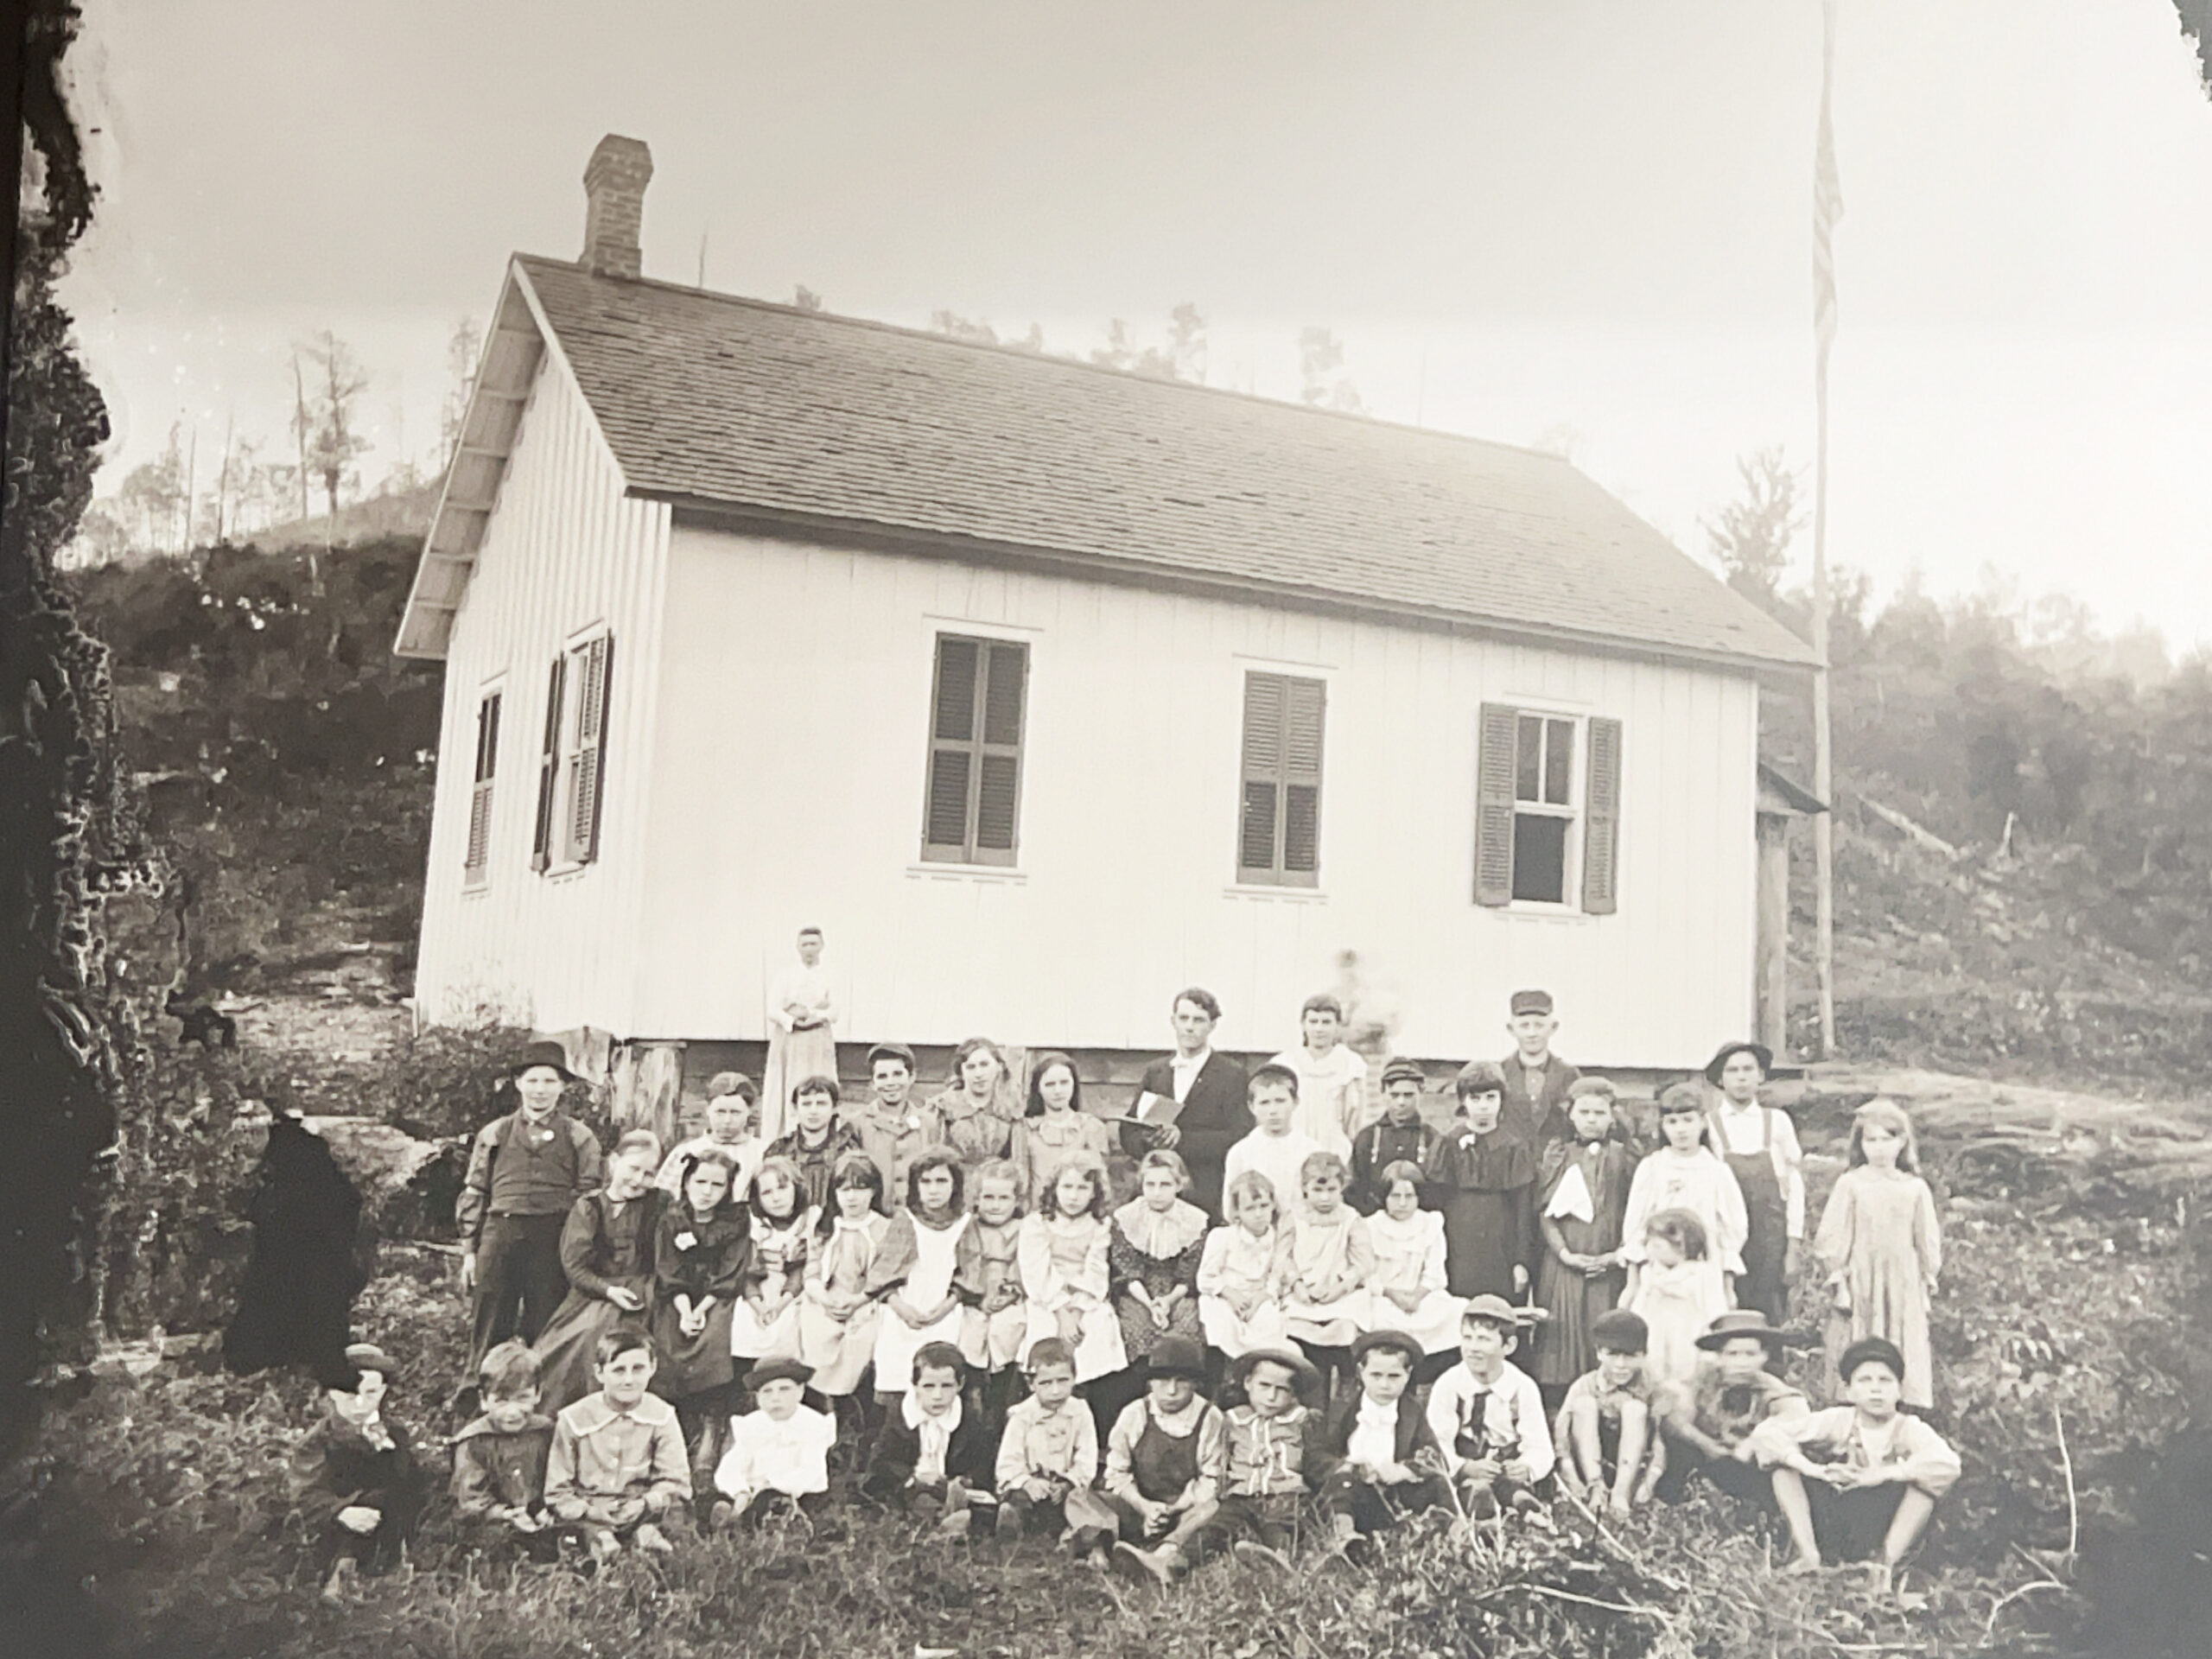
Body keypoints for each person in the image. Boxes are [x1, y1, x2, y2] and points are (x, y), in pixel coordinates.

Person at [1750, 1337, 1961, 1591]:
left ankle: (1884, 1567)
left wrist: (1883, 1474)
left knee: (1924, 1487)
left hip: (1881, 1517)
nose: (1876, 1390)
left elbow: (1947, 1464)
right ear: (1849, 1391)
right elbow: (1767, 1435)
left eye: (1885, 1381)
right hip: (1839, 1511)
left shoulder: (1909, 1428)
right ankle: (1808, 1555)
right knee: (1783, 1469)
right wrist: (1811, 1468)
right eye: (1864, 1381)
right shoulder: (1839, 1420)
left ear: (1899, 1390)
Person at [456, 1042, 606, 1377]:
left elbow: (590, 1198)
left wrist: (582, 1251)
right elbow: (475, 1190)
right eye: (533, 1081)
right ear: (518, 1083)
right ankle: (477, 1399)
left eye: (550, 1082)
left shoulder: (579, 1136)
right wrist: (469, 1251)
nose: (540, 1090)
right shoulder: (495, 1132)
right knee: (490, 1322)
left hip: (553, 1236)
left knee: (546, 1321)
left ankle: (540, 1402)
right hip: (501, 1233)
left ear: (563, 1087)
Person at [225, 1109, 369, 1391]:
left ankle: (307, 1366)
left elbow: (304, 1211)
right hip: (312, 1247)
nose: (248, 1139)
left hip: (316, 1248)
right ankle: (295, 1362)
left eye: (252, 1133)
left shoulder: (299, 1158)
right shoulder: (298, 1153)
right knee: (304, 1305)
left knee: (313, 1305)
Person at [1814, 1098, 1942, 1409]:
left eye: (1888, 1139)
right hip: (1862, 1278)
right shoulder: (1852, 1184)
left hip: (1902, 1281)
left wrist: (1926, 1280)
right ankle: (1854, 1413)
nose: (1880, 1148)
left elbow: (1927, 1240)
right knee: (1859, 1339)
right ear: (1860, 1144)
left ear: (1902, 1142)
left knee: (1900, 1340)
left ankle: (1897, 1411)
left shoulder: (1914, 1188)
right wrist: (1841, 1281)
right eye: (1871, 1140)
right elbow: (1832, 1238)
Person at [531, 1128, 664, 1414]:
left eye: (648, 1173)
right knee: (575, 1344)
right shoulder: (589, 1206)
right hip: (596, 1294)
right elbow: (574, 1266)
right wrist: (608, 1290)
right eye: (633, 1169)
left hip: (645, 1293)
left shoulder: (661, 1204)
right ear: (614, 1162)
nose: (639, 1180)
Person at [1620, 1081, 1749, 1369]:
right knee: (1656, 1341)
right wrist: (1632, 1283)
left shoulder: (1717, 1171)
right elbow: (1636, 1228)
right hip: (1658, 1273)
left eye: (1688, 1120)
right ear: (1662, 1126)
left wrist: (1728, 1287)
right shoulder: (1652, 1168)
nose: (1681, 1129)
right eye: (1672, 1121)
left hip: (1703, 1273)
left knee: (1697, 1343)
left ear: (1702, 1123)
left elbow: (1732, 1232)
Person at [288, 1343, 427, 1604]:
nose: (361, 1404)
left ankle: (399, 1565)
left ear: (384, 1390)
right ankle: (343, 1576)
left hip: (391, 1520)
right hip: (342, 1527)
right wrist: (340, 1511)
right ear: (332, 1393)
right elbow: (305, 1493)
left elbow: (410, 1482)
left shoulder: (394, 1432)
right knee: (365, 1505)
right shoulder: (319, 1440)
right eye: (350, 1395)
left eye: (371, 1393)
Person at [648, 1146, 752, 1483]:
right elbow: (668, 1270)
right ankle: (672, 1431)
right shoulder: (672, 1219)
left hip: (717, 1296)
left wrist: (702, 1309)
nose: (706, 1192)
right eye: (700, 1182)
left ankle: (711, 1426)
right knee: (666, 1333)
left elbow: (731, 1272)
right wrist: (684, 1310)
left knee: (715, 1333)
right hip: (677, 1296)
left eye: (716, 1185)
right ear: (687, 1182)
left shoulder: (734, 1221)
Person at [1532, 1078, 1636, 1405]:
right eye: (1584, 1112)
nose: (1591, 1119)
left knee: (1603, 1331)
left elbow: (1635, 1211)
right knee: (1561, 1338)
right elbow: (1545, 1213)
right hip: (1564, 1263)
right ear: (1571, 1115)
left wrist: (1614, 1256)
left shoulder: (1625, 1157)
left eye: (1599, 1112)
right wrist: (1564, 1254)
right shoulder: (1558, 1153)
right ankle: (1559, 1412)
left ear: (1612, 1118)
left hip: (1610, 1264)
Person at [544, 1330, 692, 1560]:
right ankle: (600, 1542)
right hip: (589, 1506)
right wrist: (590, 1510)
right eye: (618, 1370)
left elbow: (675, 1480)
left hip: (640, 1505)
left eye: (639, 1369)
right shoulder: (574, 1419)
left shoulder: (661, 1415)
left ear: (653, 1368)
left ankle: (647, 1536)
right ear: (600, 1373)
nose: (629, 1380)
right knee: (571, 1526)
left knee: (673, 1510)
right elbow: (557, 1489)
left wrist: (644, 1503)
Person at [1094, 1335, 1226, 1586]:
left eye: (1182, 1381)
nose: (1172, 1390)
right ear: (1150, 1382)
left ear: (1196, 1384)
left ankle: (1163, 1554)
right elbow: (1117, 1474)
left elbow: (1211, 1479)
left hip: (1182, 1512)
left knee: (1213, 1510)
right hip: (1137, 1506)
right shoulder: (1135, 1414)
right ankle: (1100, 1549)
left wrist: (1174, 1508)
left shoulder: (1210, 1418)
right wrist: (1144, 1507)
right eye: (1163, 1380)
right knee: (1084, 1498)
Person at [1651, 1310, 1813, 1510]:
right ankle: (1672, 1506)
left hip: (1751, 1471)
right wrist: (1706, 1444)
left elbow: (1798, 1421)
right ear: (1719, 1357)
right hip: (1709, 1457)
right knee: (1675, 1437)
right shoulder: (1705, 1380)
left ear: (1763, 1357)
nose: (1741, 1363)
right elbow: (1673, 1413)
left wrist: (1754, 1442)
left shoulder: (1775, 1393)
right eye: (1733, 1354)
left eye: (1750, 1354)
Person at [1123, 988, 1252, 1220]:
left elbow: (1239, 1135)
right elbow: (1128, 1131)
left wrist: (1183, 1139)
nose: (1189, 1027)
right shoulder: (1157, 1072)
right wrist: (1150, 1142)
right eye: (1183, 1019)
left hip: (1204, 1192)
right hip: (1156, 1194)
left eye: (1199, 1020)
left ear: (1212, 1025)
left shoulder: (1231, 1075)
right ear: (1173, 1022)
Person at [1703, 1042, 1805, 1328]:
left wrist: (1793, 1247)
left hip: (1770, 1239)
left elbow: (1794, 1187)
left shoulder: (1778, 1122)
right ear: (1720, 1079)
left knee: (1769, 1315)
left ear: (1761, 1076)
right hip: (1723, 1237)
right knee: (1724, 1311)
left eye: (1748, 1069)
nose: (1741, 1077)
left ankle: (1770, 1371)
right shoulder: (1708, 1126)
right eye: (1732, 1070)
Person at [1314, 1329, 1446, 1552]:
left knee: (1439, 1485)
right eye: (1376, 1375)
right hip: (1356, 1493)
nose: (1384, 1385)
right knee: (1340, 1486)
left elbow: (1435, 1456)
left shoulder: (1412, 1411)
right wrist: (1346, 1467)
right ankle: (1345, 1535)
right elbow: (1317, 1454)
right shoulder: (1342, 1409)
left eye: (1394, 1377)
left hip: (1396, 1493)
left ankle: (1453, 1532)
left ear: (1408, 1374)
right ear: (1361, 1372)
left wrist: (1404, 1470)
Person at [1426, 1294, 1555, 1516]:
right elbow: (1437, 1442)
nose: (1473, 1348)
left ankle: (1521, 1501)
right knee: (1456, 1485)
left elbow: (1540, 1445)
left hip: (1505, 1464)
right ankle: (1479, 1499)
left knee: (1513, 1484)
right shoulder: (1448, 1384)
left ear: (1509, 1346)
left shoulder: (1522, 1387)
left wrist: (1526, 1467)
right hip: (1465, 1462)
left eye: (1484, 1339)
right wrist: (1464, 1468)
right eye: (1467, 1338)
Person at [1201, 1345, 1326, 1567]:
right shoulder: (1233, 1420)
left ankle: (1279, 1557)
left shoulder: (1300, 1420)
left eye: (1282, 1390)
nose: (1271, 1396)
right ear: (1248, 1383)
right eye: (1264, 1386)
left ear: (1293, 1395)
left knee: (1279, 1522)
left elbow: (1314, 1458)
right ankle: (1175, 1562)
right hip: (1242, 1494)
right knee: (1218, 1526)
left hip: (1284, 1492)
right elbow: (1222, 1456)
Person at [870, 1150, 974, 1414]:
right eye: (925, 1182)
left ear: (955, 1186)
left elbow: (969, 1276)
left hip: (944, 1308)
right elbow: (884, 1275)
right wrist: (901, 1308)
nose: (933, 1190)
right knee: (896, 1367)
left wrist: (944, 1308)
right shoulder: (906, 1220)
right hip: (904, 1308)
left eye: (941, 1182)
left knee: (941, 1365)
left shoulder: (964, 1224)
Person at [1424, 1060, 1538, 1301]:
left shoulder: (1514, 1147)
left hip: (1500, 1243)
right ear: (1463, 1101)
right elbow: (1435, 1205)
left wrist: (1521, 1261)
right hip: (1458, 1241)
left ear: (1501, 1099)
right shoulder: (1449, 1143)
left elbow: (1523, 1209)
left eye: (1490, 1098)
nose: (1483, 1106)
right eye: (1475, 1099)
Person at [861, 1340, 995, 1536]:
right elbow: (881, 1465)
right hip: (913, 1486)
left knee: (984, 1505)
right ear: (915, 1385)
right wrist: (913, 1477)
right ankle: (944, 1524)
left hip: (948, 1486)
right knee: (920, 1502)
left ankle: (958, 1519)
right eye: (928, 1386)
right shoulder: (900, 1417)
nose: (937, 1395)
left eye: (947, 1386)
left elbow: (982, 1460)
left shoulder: (968, 1418)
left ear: (960, 1385)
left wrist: (965, 1480)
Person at [1017, 1157, 1128, 1387]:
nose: (1074, 1196)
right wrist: (1062, 1312)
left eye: (1082, 1188)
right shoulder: (1037, 1223)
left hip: (1084, 1296)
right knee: (1044, 1328)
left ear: (1094, 1193)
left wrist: (1077, 1310)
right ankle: (1042, 1387)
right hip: (1047, 1296)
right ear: (1054, 1189)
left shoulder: (1100, 1225)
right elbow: (1036, 1270)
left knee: (1096, 1326)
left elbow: (1097, 1269)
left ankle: (1086, 1391)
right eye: (1067, 1187)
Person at [993, 1337, 1114, 1543]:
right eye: (1046, 1383)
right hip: (1031, 1488)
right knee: (1018, 1500)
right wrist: (1028, 1482)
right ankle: (1014, 1523)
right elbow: (1008, 1463)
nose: (1056, 1390)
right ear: (1031, 1384)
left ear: (1075, 1378)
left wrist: (1068, 1483)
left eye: (1063, 1381)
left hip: (1065, 1488)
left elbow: (1086, 1458)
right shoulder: (1022, 1416)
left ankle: (1074, 1535)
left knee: (1083, 1502)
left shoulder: (1080, 1412)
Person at [798, 1153, 893, 1405]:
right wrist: (824, 1299)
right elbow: (812, 1269)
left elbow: (884, 1277)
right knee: (813, 1331)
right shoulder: (825, 1226)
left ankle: (853, 1409)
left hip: (865, 1302)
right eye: (844, 1189)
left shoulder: (884, 1228)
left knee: (860, 1339)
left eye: (860, 1189)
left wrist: (857, 1303)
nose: (851, 1197)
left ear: (874, 1191)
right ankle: (822, 1406)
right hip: (827, 1299)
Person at [1280, 1151, 1376, 1400]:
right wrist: (1297, 1284)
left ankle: (1347, 1376)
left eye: (1332, 1190)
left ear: (1342, 1187)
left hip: (1339, 1291)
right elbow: (1283, 1255)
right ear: (1304, 1188)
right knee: (1295, 1326)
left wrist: (1340, 1287)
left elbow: (1364, 1262)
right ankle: (1310, 1387)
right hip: (1303, 1292)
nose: (1325, 1198)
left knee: (1345, 1325)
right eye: (1317, 1190)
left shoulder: (1350, 1219)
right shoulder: (1295, 1217)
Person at [1108, 1149, 1210, 1382]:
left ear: (1179, 1184)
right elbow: (1128, 1269)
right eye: (1150, 1184)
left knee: (1187, 1323)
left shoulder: (1194, 1220)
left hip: (1179, 1291)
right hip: (1138, 1290)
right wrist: (1150, 1304)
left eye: (1165, 1185)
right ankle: (1142, 1388)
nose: (1156, 1192)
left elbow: (1189, 1272)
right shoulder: (1127, 1217)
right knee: (1136, 1326)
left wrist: (1168, 1301)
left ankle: (1182, 1384)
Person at [450, 1339, 558, 1559]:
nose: (512, 1412)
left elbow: (558, 1476)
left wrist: (545, 1509)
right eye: (501, 1401)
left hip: (540, 1513)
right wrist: (505, 1514)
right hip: (493, 1517)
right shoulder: (475, 1441)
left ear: (537, 1395)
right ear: (484, 1400)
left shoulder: (545, 1430)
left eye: (522, 1399)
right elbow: (471, 1500)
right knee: (495, 1545)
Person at [1554, 1309, 1665, 1516]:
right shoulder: (1585, 1384)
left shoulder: (1653, 1388)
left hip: (1634, 1467)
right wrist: (1571, 1477)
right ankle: (1596, 1488)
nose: (1620, 1365)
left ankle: (1621, 1493)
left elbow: (1662, 1440)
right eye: (1612, 1355)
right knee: (1584, 1405)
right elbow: (1561, 1436)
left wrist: (1649, 1482)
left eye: (1630, 1356)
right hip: (1590, 1462)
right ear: (1598, 1353)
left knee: (1635, 1409)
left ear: (1644, 1355)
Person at [709, 1355, 837, 1531]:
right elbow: (731, 1466)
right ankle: (735, 1517)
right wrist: (741, 1492)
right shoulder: (752, 1425)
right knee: (718, 1494)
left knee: (774, 1502)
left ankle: (760, 1523)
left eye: (784, 1389)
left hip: (797, 1493)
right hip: (752, 1493)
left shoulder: (812, 1425)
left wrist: (771, 1486)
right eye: (767, 1392)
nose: (775, 1398)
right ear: (757, 1397)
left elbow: (811, 1471)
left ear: (800, 1391)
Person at [1363, 1160, 1464, 1365]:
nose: (1402, 1203)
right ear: (1384, 1197)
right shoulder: (1370, 1226)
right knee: (1377, 1319)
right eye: (1395, 1196)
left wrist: (1416, 1296)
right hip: (1384, 1296)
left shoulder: (1430, 1223)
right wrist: (1393, 1294)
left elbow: (1435, 1273)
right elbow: (1366, 1274)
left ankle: (1430, 1375)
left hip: (1421, 1296)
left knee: (1456, 1311)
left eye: (1409, 1196)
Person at [955, 1157, 1029, 1424]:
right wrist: (977, 1298)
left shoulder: (1023, 1229)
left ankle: (1002, 1394)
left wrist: (1009, 1293)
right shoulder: (969, 1227)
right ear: (976, 1198)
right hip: (974, 1296)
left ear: (1017, 1200)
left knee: (1009, 1326)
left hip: (1009, 1297)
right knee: (968, 1329)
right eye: (988, 1197)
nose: (995, 1205)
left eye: (1003, 1198)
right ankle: (971, 1391)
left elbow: (1025, 1267)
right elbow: (964, 1266)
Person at [1623, 1208, 1726, 1393]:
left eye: (1658, 1246)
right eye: (1650, 1245)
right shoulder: (1649, 1272)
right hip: (1655, 1330)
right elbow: (1640, 1304)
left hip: (1688, 1331)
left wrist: (1714, 1339)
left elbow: (1715, 1309)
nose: (1651, 1250)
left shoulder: (1702, 1273)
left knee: (1686, 1375)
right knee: (1655, 1372)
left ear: (1684, 1247)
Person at [728, 1154, 814, 1374]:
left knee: (792, 1320)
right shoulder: (755, 1226)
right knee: (746, 1315)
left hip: (794, 1291)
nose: (776, 1198)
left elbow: (800, 1272)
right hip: (759, 1289)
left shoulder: (810, 1220)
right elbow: (747, 1271)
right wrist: (760, 1306)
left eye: (782, 1188)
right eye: (767, 1192)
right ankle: (750, 1378)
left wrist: (779, 1305)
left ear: (796, 1188)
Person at [1198, 1170, 1294, 1360]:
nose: (1259, 1214)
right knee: (1222, 1323)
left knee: (1270, 1321)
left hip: (1260, 1296)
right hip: (1225, 1297)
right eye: (1250, 1208)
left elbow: (1277, 1276)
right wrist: (1228, 1293)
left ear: (1273, 1205)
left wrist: (1262, 1297)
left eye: (1264, 1206)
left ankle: (1259, 1369)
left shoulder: (1278, 1238)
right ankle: (1227, 1373)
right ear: (1237, 1212)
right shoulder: (1223, 1237)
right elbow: (1205, 1278)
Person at [1266, 993, 1371, 1158]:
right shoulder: (1284, 1063)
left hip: (1333, 1148)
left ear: (1337, 1025)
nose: (1319, 1029)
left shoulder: (1351, 1065)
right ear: (1303, 1024)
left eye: (1326, 1022)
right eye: (1313, 1022)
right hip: (1291, 1147)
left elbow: (1356, 1118)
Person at [1008, 1051, 1115, 1212]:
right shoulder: (1025, 1129)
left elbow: (1099, 1182)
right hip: (1037, 1215)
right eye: (1050, 1085)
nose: (1058, 1091)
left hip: (1080, 1215)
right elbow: (1020, 1182)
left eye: (1064, 1083)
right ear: (1038, 1088)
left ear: (1074, 1085)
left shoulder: (1091, 1127)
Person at [760, 926, 838, 1147]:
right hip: (790, 1036)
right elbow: (773, 1009)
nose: (809, 949)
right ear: (798, 947)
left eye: (814, 944)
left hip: (817, 1036)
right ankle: (786, 1134)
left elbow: (835, 1011)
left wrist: (813, 1015)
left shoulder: (829, 975)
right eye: (805, 944)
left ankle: (821, 1136)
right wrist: (792, 1020)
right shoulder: (785, 975)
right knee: (789, 1082)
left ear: (822, 946)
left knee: (818, 1080)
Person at [1222, 1065, 1326, 1226]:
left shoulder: (1311, 1150)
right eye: (1264, 1103)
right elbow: (1230, 1209)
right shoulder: (1241, 1152)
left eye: (1280, 1101)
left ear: (1295, 1102)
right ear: (1252, 1107)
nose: (1273, 1110)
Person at [854, 1042, 945, 1205]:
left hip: (917, 1214)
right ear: (872, 1084)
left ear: (911, 1077)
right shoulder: (859, 1124)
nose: (890, 1082)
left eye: (897, 1074)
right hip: (876, 1215)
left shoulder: (928, 1123)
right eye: (882, 1076)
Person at [656, 1072, 765, 1205]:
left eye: (735, 1112)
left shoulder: (761, 1152)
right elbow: (663, 1199)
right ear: (708, 1110)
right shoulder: (686, 1152)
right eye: (720, 1112)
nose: (727, 1121)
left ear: (749, 1111)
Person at [1349, 1059, 1441, 1215]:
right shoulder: (1367, 1138)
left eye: (1408, 1095)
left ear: (1421, 1092)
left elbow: (1437, 1193)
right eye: (1394, 1095)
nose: (1401, 1102)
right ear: (1383, 1092)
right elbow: (1357, 1189)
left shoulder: (1432, 1139)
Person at [766, 1074, 867, 1216]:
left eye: (821, 1104)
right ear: (795, 1108)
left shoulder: (848, 1150)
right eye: (806, 1104)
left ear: (835, 1108)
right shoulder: (781, 1150)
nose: (813, 1111)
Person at [1499, 989, 1580, 1151]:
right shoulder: (1499, 1074)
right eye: (1524, 1025)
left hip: (1555, 1163)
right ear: (1511, 1029)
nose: (1532, 1033)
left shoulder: (1569, 1076)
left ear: (1553, 1027)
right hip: (1510, 1164)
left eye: (1539, 1025)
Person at [931, 1037, 1020, 1172]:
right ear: (961, 1072)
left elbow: (1018, 1161)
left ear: (999, 1066)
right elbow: (934, 1156)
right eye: (971, 1067)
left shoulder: (1010, 1108)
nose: (978, 1074)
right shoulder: (945, 1107)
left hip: (998, 1186)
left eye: (984, 1065)